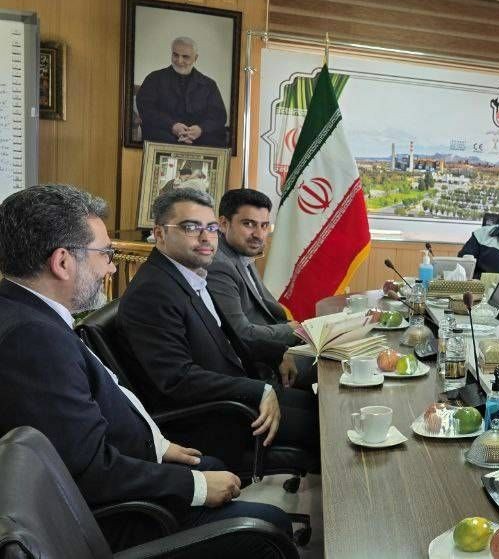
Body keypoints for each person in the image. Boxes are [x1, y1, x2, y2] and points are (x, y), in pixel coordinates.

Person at [0, 185, 291, 551]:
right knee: (270, 526)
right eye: (105, 253)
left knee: (217, 470)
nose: (110, 267)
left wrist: (159, 446)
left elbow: (89, 417)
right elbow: (89, 471)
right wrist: (196, 487)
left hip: (130, 469)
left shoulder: (28, 312)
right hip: (114, 517)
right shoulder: (31, 340)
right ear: (62, 262)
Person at [117, 188, 319, 458]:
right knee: (328, 428)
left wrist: (278, 354)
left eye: (211, 228)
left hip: (233, 394)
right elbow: (177, 380)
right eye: (191, 228)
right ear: (160, 234)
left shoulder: (190, 274)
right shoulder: (152, 292)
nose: (205, 237)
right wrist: (257, 389)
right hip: (212, 416)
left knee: (323, 405)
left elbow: (227, 339)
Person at [206, 188, 307, 385]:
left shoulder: (242, 251)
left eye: (264, 225)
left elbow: (267, 312)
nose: (259, 235)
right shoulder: (218, 265)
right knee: (338, 366)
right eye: (249, 224)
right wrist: (292, 331)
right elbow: (241, 333)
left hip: (276, 347)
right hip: (256, 365)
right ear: (224, 224)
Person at [136, 36, 228, 147]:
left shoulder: (209, 84)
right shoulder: (154, 78)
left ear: (195, 58)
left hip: (199, 136)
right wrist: (172, 126)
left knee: (216, 140)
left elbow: (219, 115)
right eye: (175, 55)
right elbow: (146, 109)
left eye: (185, 57)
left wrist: (200, 129)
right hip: (163, 132)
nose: (179, 61)